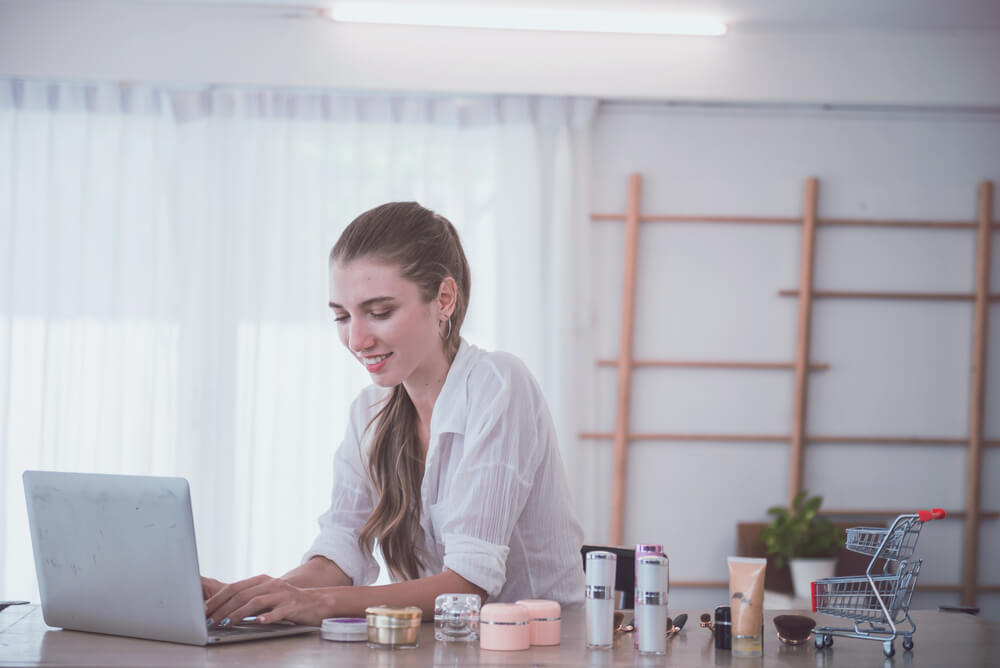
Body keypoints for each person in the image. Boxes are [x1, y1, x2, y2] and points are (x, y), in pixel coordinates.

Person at [203, 202, 584, 628]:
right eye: (342, 316)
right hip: (441, 648)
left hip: (540, 648)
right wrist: (251, 598)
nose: (357, 339)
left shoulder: (498, 384)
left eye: (380, 312)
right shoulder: (370, 411)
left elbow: (468, 585)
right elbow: (340, 551)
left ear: (444, 298)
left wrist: (321, 604)